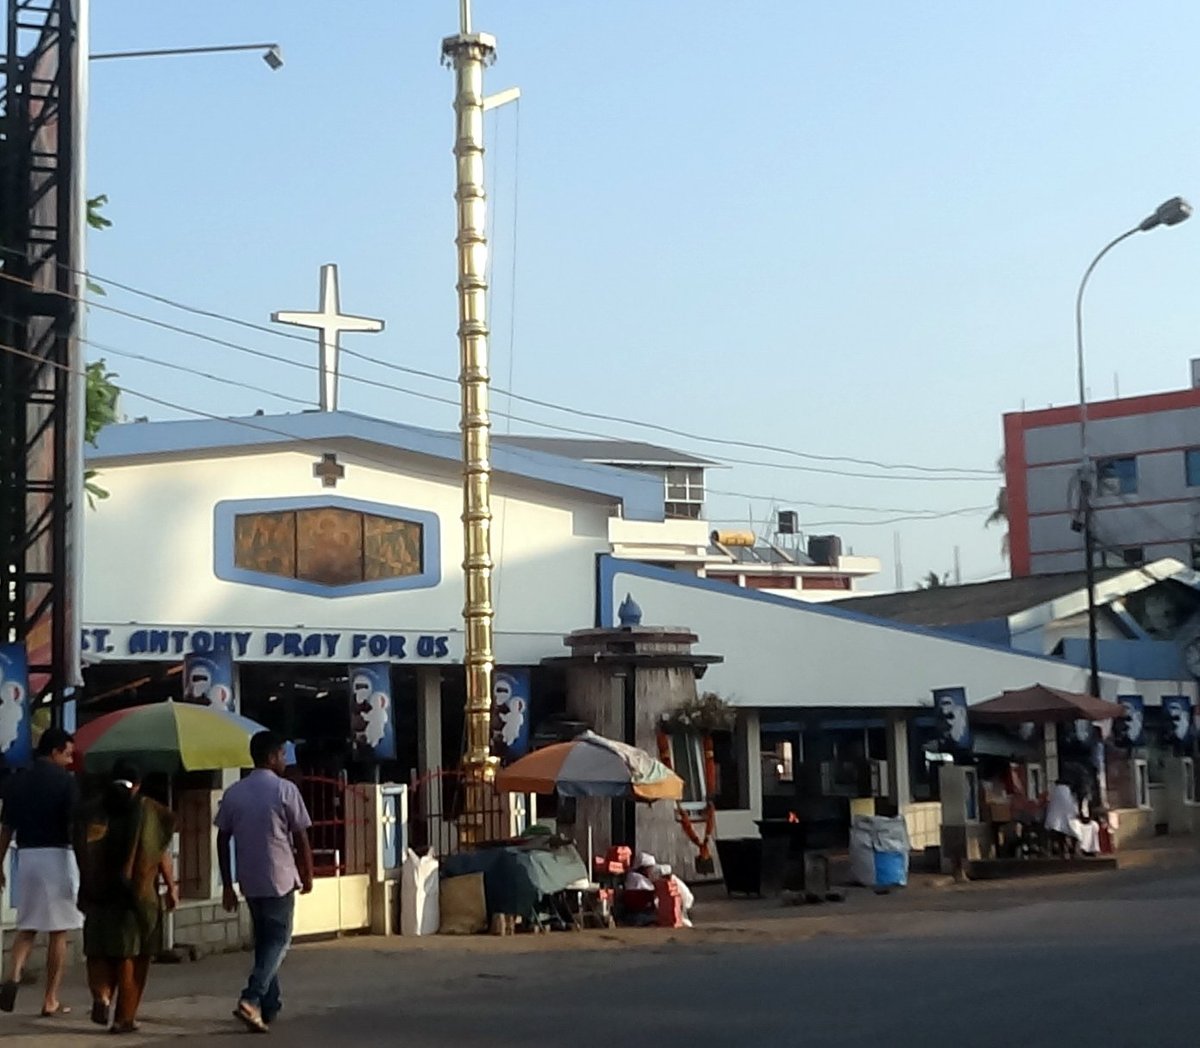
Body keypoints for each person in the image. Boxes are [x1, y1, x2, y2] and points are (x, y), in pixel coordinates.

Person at [215, 730, 313, 1033]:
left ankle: (269, 1005)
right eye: (283, 754)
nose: (285, 760)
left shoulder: (234, 792)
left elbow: (222, 838)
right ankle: (252, 997)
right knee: (279, 941)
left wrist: (228, 883)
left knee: (264, 943)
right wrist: (307, 873)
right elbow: (300, 835)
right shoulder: (284, 790)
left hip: (249, 878)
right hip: (279, 876)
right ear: (272, 757)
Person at [76, 761, 177, 1034]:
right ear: (138, 785)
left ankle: (102, 994)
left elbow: (81, 850)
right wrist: (171, 887)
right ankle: (124, 1018)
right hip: (135, 897)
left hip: (97, 893)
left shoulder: (92, 811)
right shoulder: (149, 811)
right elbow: (159, 852)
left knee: (97, 951)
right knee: (132, 957)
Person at [0, 727, 83, 1017]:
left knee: (27, 926)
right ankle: (50, 999)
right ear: (55, 751)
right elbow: (74, 825)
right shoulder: (66, 783)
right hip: (58, 855)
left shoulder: (17, 782)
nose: (70, 760)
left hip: (27, 857)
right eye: (68, 754)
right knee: (58, 932)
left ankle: (12, 976)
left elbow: (7, 827)